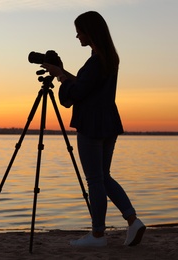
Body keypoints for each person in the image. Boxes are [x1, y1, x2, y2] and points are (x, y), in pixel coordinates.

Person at [41, 11, 146, 247]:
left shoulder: (96, 61)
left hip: (92, 125)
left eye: (79, 30)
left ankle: (98, 235)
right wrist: (62, 72)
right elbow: (85, 84)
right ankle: (133, 221)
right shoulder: (107, 58)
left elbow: (76, 93)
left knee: (95, 181)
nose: (76, 35)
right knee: (103, 177)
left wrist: (60, 77)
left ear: (90, 32)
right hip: (108, 123)